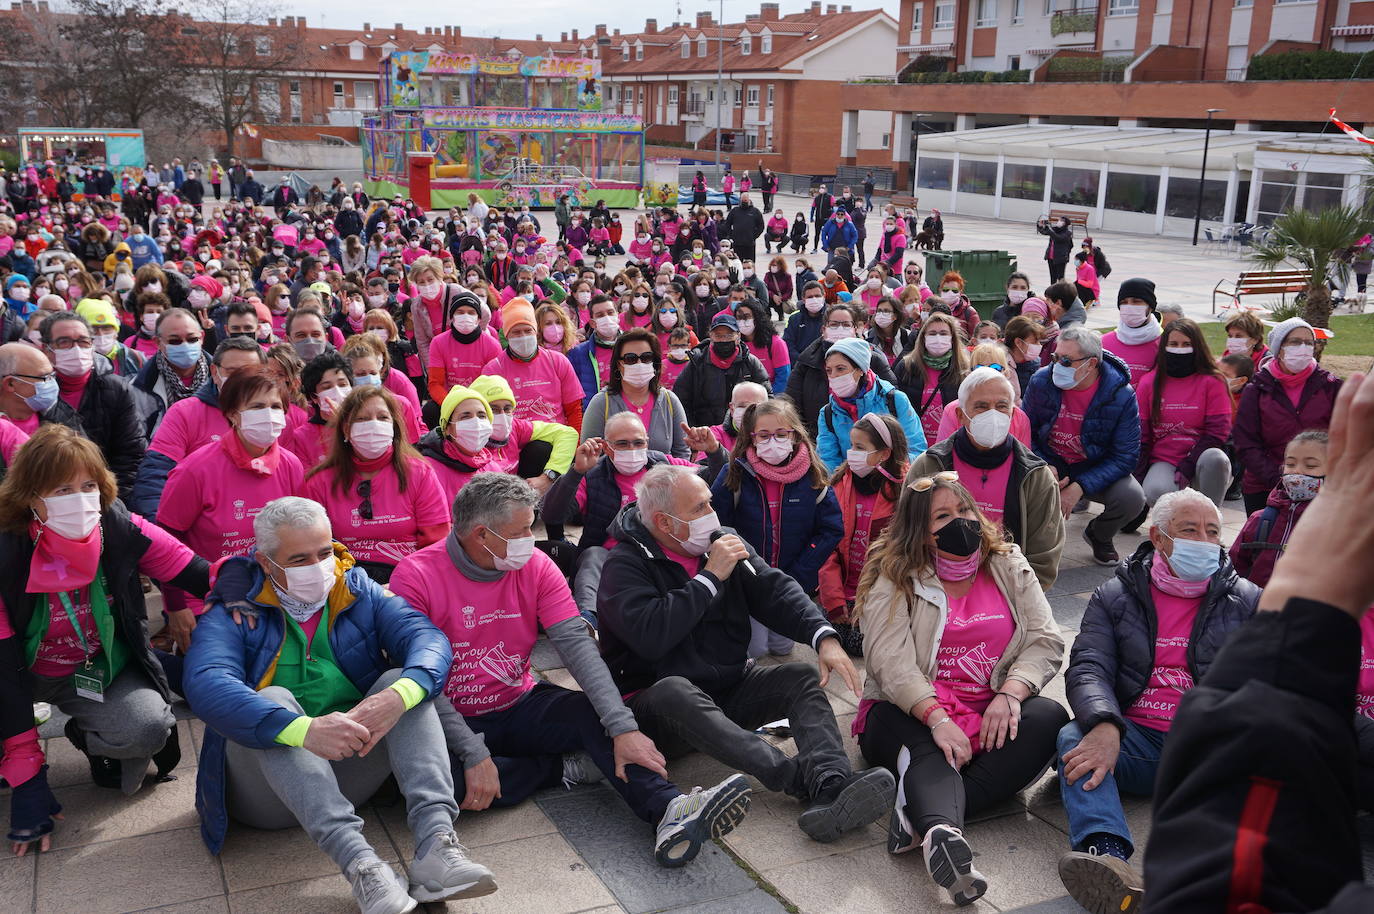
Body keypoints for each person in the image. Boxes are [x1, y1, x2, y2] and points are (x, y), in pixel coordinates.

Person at [388, 473, 754, 867]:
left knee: (595, 715)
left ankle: (669, 809)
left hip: (518, 701)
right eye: (522, 530)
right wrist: (473, 752)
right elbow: (418, 678)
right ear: (481, 535)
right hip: (447, 717)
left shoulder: (536, 566)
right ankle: (562, 768)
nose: (531, 538)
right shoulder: (416, 575)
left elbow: (577, 648)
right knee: (435, 783)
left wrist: (623, 729)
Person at [184, 497, 496, 909]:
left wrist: (399, 696)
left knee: (400, 685)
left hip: (347, 767)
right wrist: (304, 730)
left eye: (324, 552)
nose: (318, 567)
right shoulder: (234, 610)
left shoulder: (356, 588)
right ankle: (362, 866)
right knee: (272, 701)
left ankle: (436, 848)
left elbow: (426, 639)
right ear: (264, 562)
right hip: (265, 793)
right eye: (299, 559)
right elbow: (205, 683)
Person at [1137, 370, 1374, 914]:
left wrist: (1306, 608)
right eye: (1293, 465)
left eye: (1209, 531)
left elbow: (1231, 881)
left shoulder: (1255, 608)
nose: (1299, 475)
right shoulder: (1127, 589)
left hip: (1293, 672)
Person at [598, 464, 896, 842]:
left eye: (709, 503)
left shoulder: (723, 541)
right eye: (700, 508)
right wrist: (710, 578)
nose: (712, 513)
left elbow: (774, 590)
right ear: (665, 522)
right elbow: (651, 636)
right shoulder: (624, 564)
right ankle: (799, 780)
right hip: (658, 711)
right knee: (674, 689)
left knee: (800, 676)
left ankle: (831, 783)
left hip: (725, 687)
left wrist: (823, 637)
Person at [854, 471, 1067, 907]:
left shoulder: (1007, 563)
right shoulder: (895, 576)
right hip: (907, 710)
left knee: (1049, 719)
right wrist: (937, 718)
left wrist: (1011, 693)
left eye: (964, 509)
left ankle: (919, 817)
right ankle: (942, 833)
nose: (960, 521)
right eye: (942, 516)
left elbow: (1045, 639)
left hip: (988, 710)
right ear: (920, 531)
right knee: (932, 750)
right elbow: (890, 664)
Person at [1054, 489, 1259, 914]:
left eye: (1213, 531)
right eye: (1189, 530)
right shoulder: (1115, 595)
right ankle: (1107, 858)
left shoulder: (1247, 601)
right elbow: (1089, 666)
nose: (1204, 541)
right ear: (1158, 537)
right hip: (1140, 741)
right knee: (1075, 737)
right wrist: (1106, 724)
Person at [0, 426, 206, 827]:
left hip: (94, 666)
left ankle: (88, 734)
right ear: (30, 498)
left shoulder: (118, 526)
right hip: (17, 671)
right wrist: (27, 771)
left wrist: (268, 577)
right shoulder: (6, 550)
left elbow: (197, 572)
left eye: (88, 485)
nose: (79, 499)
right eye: (62, 490)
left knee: (146, 728)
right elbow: (5, 669)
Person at [157, 369, 304, 644]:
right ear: (233, 414)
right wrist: (175, 607)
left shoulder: (291, 466)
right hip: (206, 596)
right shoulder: (195, 470)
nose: (269, 414)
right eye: (257, 406)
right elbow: (166, 540)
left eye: (276, 406)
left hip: (272, 593)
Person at [547, 411, 723, 624]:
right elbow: (552, 514)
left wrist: (714, 451)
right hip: (610, 557)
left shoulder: (664, 464)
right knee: (592, 556)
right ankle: (588, 620)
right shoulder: (592, 475)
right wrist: (576, 472)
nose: (632, 449)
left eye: (638, 443)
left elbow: (717, 481)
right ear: (607, 447)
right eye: (622, 444)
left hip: (660, 553)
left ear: (647, 442)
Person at [909, 367, 1064, 590]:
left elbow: (1044, 558)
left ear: (1012, 414)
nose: (993, 415)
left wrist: (1016, 598)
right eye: (981, 406)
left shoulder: (1036, 476)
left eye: (1001, 406)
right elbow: (907, 537)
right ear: (961, 415)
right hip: (936, 589)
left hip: (1010, 592)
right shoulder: (929, 466)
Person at [712, 398, 843, 657]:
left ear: (794, 435)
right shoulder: (735, 472)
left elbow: (831, 528)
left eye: (781, 434)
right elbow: (717, 524)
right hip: (748, 580)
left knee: (782, 647)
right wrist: (738, 566)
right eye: (764, 435)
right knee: (755, 649)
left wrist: (802, 571)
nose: (773, 441)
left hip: (792, 579)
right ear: (752, 438)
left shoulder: (813, 475)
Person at [1023, 326, 1145, 566]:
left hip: (1093, 466)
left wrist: (1081, 486)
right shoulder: (1041, 381)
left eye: (1066, 361)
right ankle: (1026, 542)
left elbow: (1126, 456)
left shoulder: (1121, 394)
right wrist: (1042, 464)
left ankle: (1100, 535)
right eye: (1056, 357)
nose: (1057, 366)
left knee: (1131, 498)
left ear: (1091, 364)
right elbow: (1025, 432)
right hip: (1051, 461)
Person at [301, 387, 449, 585]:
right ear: (346, 429)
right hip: (345, 584)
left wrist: (404, 584)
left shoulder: (419, 473)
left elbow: (436, 543)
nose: (373, 425)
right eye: (362, 419)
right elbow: (312, 550)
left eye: (382, 417)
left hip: (409, 580)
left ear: (394, 426)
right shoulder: (319, 483)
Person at [130, 337, 266, 518]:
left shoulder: (276, 416)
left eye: (250, 371)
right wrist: (158, 527)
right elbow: (156, 474)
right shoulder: (185, 413)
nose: (241, 379)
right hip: (202, 523)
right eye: (232, 371)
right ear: (215, 372)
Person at [817, 413, 908, 656]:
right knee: (833, 636)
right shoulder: (839, 484)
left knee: (858, 646)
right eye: (851, 445)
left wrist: (871, 603)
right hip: (842, 589)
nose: (851, 453)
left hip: (879, 593)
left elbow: (901, 556)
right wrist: (834, 600)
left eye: (860, 447)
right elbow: (827, 548)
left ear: (884, 454)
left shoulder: (903, 491)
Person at [33, 315, 148, 503]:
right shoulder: (36, 392)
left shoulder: (117, 389)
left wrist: (109, 501)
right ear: (47, 349)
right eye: (64, 342)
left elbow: (131, 454)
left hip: (108, 496)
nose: (76, 349)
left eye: (83, 342)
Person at [1233, 317, 1342, 515]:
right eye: (1295, 342)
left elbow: (1344, 436)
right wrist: (1280, 479)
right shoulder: (1256, 389)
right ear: (1279, 348)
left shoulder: (1331, 386)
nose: (1303, 347)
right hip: (1265, 486)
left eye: (1308, 342)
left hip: (1321, 486)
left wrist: (1320, 476)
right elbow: (1245, 442)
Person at [1133, 318, 1232, 511]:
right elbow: (1142, 435)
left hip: (1203, 458)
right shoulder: (1149, 382)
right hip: (1165, 460)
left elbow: (1218, 432)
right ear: (1164, 347)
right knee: (1155, 491)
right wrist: (1138, 477)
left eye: (1187, 344)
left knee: (1216, 458)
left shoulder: (1213, 381)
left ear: (1197, 346)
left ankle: (1210, 519)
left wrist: (1189, 463)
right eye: (1174, 344)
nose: (1180, 349)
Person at [1229, 429, 1326, 588]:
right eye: (1290, 464)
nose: (1296, 471)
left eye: (1310, 465)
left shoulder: (1340, 527)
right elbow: (1233, 571)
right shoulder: (1261, 520)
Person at [784, 301, 897, 438]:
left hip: (871, 439)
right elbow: (792, 403)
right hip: (818, 438)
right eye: (834, 324)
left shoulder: (874, 359)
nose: (840, 329)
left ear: (855, 329)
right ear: (824, 329)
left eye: (846, 325)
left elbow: (891, 399)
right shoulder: (807, 361)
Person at [815, 336, 924, 472]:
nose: (833, 375)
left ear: (860, 369)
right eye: (829, 370)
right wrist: (843, 482)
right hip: (848, 483)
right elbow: (827, 461)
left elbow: (916, 450)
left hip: (893, 480)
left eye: (840, 368)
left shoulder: (895, 401)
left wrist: (888, 474)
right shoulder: (828, 413)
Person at [581, 329, 691, 458]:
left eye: (646, 358)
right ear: (619, 364)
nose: (639, 364)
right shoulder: (601, 403)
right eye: (630, 359)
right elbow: (589, 455)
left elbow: (682, 452)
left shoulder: (669, 400)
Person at [481, 298, 584, 430]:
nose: (523, 336)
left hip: (556, 436)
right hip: (515, 439)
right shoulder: (494, 369)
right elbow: (490, 416)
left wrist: (575, 441)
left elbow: (574, 409)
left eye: (528, 330)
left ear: (536, 331)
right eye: (516, 332)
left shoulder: (558, 361)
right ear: (507, 336)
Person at [672, 313, 769, 427]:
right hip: (704, 431)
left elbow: (767, 399)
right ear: (711, 336)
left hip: (743, 429)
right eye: (718, 336)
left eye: (729, 335)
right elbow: (681, 400)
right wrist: (693, 429)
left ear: (738, 336)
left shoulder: (750, 362)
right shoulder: (697, 363)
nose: (723, 340)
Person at [131, 307, 213, 433]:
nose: (185, 345)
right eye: (175, 341)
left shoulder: (220, 376)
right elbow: (139, 435)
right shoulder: (142, 386)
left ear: (201, 337)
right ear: (158, 342)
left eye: (192, 339)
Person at [415, 384, 499, 504]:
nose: (476, 423)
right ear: (447, 428)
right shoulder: (428, 471)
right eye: (465, 417)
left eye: (481, 416)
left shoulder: (493, 468)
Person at [895, 312, 968, 446]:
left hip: (951, 445)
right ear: (923, 338)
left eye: (943, 333)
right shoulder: (906, 367)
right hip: (914, 446)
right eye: (932, 333)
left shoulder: (964, 369)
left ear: (952, 339)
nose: (938, 338)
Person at [425, 289, 501, 413]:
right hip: (450, 400)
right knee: (429, 410)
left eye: (471, 312)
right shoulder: (438, 342)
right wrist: (452, 405)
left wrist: (475, 407)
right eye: (460, 312)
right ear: (452, 317)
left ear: (478, 319)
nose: (466, 316)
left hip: (482, 403)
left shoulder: (492, 345)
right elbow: (435, 384)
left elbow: (494, 386)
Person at [282, 352, 353, 469]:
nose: (337, 391)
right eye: (327, 387)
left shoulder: (363, 424)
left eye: (342, 384)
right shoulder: (301, 437)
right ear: (314, 397)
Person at [1100, 278, 1163, 387]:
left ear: (1150, 306)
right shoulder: (1103, 342)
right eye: (1124, 302)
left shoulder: (1165, 343)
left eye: (1136, 301)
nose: (1129, 306)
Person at [1004, 315, 1045, 394]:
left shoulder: (1036, 364)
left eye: (1039, 341)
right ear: (1018, 342)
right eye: (1035, 342)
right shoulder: (1000, 366)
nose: (1039, 345)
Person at [1037, 215, 1073, 283]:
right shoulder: (1055, 229)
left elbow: (1059, 238)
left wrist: (1065, 253)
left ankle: (1061, 289)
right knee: (1053, 277)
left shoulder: (1067, 233)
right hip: (1051, 257)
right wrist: (1040, 226)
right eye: (1059, 220)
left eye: (1062, 221)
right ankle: (1052, 289)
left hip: (1060, 258)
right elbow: (1044, 232)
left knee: (1060, 278)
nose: (1059, 221)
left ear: (1065, 223)